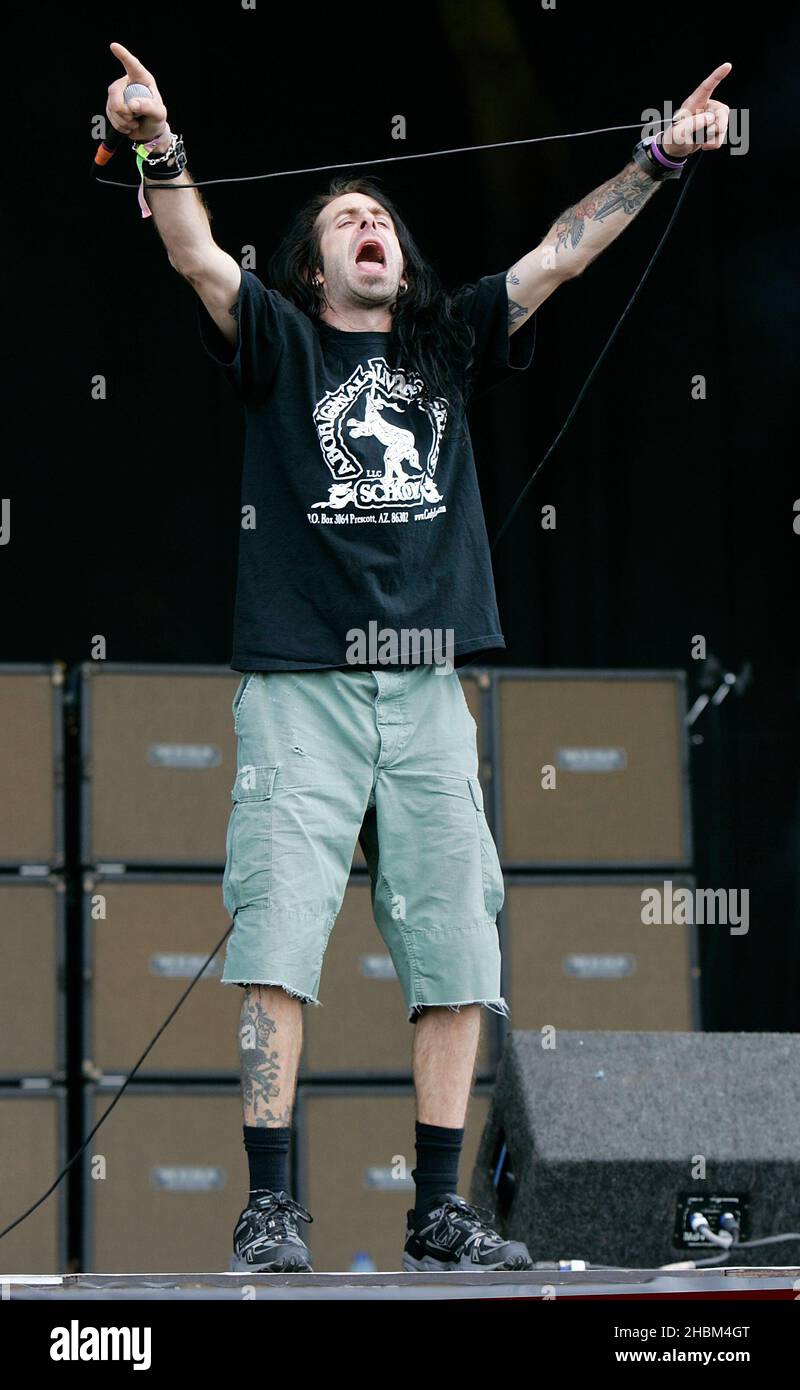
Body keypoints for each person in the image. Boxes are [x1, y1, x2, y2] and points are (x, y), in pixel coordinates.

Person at [104, 42, 731, 1274]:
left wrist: (655, 158)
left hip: (427, 687)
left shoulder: (442, 345)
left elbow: (559, 251)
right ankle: (272, 1205)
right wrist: (153, 140)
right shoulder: (280, 344)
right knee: (278, 937)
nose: (367, 223)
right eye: (344, 218)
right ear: (311, 265)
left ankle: (438, 1210)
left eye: (380, 214)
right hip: (298, 686)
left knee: (456, 947)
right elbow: (187, 247)